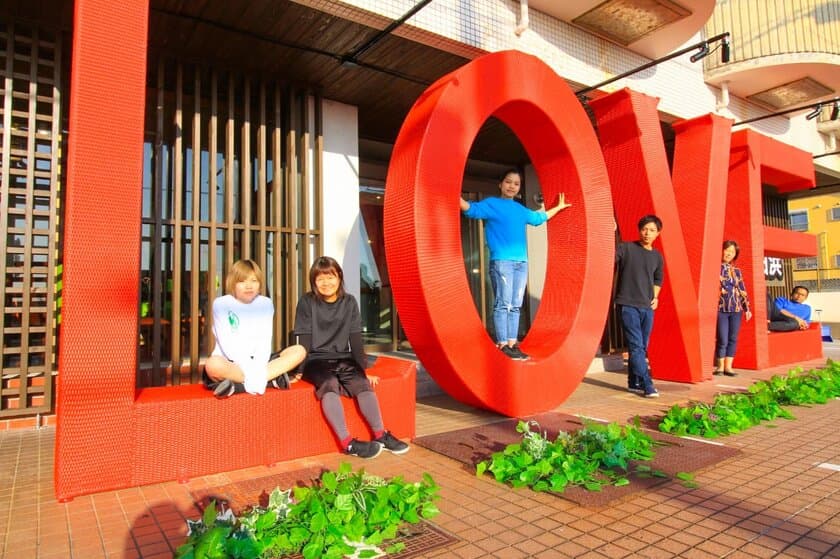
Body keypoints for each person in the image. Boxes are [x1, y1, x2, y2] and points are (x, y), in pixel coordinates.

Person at [293, 256, 409, 459]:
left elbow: (355, 339)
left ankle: (380, 434)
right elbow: (304, 340)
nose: (326, 283)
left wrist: (364, 369)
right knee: (329, 383)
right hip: (314, 359)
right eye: (320, 279)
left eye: (330, 277)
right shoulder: (306, 302)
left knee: (361, 383)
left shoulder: (349, 302)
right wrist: (299, 370)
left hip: (342, 357)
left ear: (339, 277)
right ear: (314, 282)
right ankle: (347, 443)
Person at [459, 168, 571, 360]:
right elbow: (471, 209)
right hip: (502, 262)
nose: (512, 186)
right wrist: (450, 192)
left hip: (522, 263)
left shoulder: (520, 209)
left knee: (516, 305)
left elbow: (538, 218)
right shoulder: (492, 204)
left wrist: (558, 208)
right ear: (500, 184)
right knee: (503, 304)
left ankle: (512, 343)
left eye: (516, 184)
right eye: (508, 182)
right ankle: (502, 343)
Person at [204, 259, 307, 398]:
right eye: (242, 281)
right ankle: (271, 380)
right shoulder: (221, 304)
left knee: (299, 351)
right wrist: (254, 374)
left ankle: (237, 386)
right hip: (231, 362)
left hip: (260, 362)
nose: (249, 286)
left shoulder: (265, 303)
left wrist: (257, 368)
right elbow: (227, 344)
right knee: (213, 365)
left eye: (254, 281)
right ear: (233, 283)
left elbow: (264, 340)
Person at [615, 215, 664, 398]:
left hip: (647, 306)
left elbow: (658, 279)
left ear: (658, 233)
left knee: (641, 346)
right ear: (639, 229)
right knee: (636, 346)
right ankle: (647, 384)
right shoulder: (626, 248)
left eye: (652, 230)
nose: (647, 233)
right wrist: (609, 231)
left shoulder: (657, 256)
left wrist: (656, 297)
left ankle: (633, 381)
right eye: (645, 229)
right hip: (627, 304)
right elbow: (609, 258)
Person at [714, 240, 752, 377]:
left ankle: (728, 367)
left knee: (733, 338)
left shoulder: (736, 271)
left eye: (732, 251)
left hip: (736, 309)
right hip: (720, 308)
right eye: (727, 250)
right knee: (722, 338)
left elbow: (742, 289)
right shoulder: (714, 268)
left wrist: (747, 308)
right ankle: (719, 367)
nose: (729, 253)